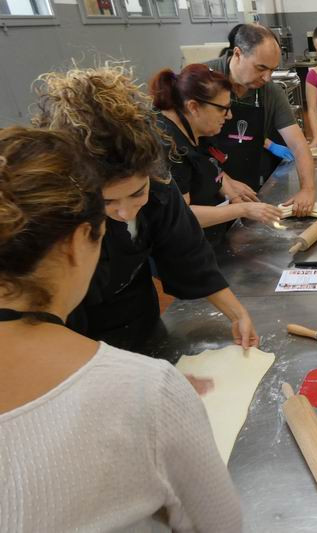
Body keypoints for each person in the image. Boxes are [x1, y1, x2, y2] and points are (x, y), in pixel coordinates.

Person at [0, 127, 241, 531]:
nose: (125, 213)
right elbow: (219, 523)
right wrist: (153, 393)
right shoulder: (147, 392)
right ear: (81, 240)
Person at [33, 66, 259, 353]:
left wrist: (237, 314)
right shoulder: (56, 216)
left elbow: (187, 254)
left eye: (137, 193)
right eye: (108, 202)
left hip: (139, 315)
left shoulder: (161, 186)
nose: (126, 213)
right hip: (77, 336)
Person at [150, 64, 282, 247]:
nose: (229, 116)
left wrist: (232, 193)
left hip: (209, 238)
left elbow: (210, 164)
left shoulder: (196, 126)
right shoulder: (168, 147)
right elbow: (183, 215)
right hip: (180, 252)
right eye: (223, 109)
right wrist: (242, 209)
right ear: (194, 107)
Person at [206, 24, 315, 216]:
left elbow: (298, 144)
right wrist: (222, 179)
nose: (267, 77)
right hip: (206, 189)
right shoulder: (205, 79)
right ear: (238, 54)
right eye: (261, 68)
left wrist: (307, 189)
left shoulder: (270, 91)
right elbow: (183, 144)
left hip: (248, 189)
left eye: (272, 70)